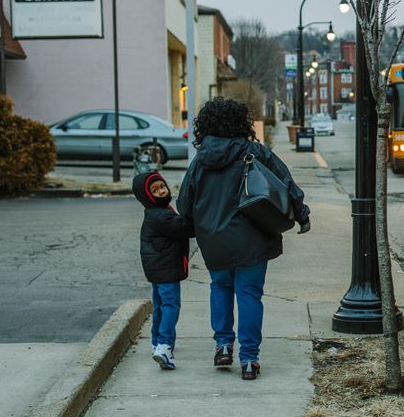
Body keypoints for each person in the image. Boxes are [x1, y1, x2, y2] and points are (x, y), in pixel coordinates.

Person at [177, 98, 310, 381]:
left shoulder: (200, 160)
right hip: (252, 237)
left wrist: (190, 228)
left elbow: (185, 202)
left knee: (220, 287)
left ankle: (223, 345)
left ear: (206, 125)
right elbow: (285, 183)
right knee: (249, 294)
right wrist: (301, 214)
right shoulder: (254, 152)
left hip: (214, 240)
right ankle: (249, 359)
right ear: (241, 123)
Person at [132, 171, 193, 371]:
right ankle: (165, 346)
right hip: (166, 269)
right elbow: (185, 228)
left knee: (159, 305)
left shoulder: (156, 211)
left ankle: (156, 341)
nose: (160, 191)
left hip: (157, 269)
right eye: (154, 190)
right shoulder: (162, 216)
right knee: (170, 306)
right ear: (146, 196)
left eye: (161, 187)